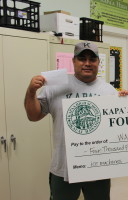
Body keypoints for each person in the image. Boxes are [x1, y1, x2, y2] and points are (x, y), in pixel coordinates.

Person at [24, 41, 119, 200]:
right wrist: (31, 91)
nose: (87, 63)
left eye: (92, 59)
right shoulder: (55, 86)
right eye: (82, 59)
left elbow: (117, 128)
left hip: (98, 167)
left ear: (98, 62)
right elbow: (33, 116)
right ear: (73, 61)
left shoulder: (109, 91)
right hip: (63, 168)